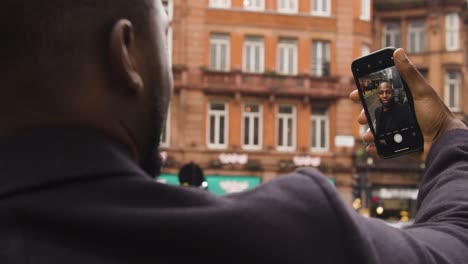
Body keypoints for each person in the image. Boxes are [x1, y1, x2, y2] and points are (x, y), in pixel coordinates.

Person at [0, 1, 467, 263]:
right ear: (125, 53)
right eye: (163, 34)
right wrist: (448, 135)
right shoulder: (284, 237)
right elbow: (455, 245)